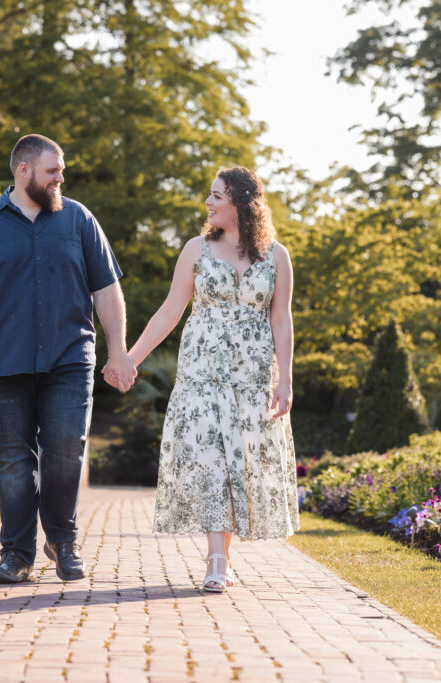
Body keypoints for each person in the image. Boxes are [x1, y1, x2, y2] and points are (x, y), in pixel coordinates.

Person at [0, 134, 137, 584]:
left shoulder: (78, 219)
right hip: (1, 361)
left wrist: (118, 349)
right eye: (53, 171)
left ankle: (63, 541)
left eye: (61, 171)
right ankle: (16, 556)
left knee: (66, 450)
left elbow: (106, 289)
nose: (60, 179)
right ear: (23, 171)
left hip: (69, 357)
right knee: (12, 460)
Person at [104, 166, 299, 592]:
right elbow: (170, 310)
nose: (208, 203)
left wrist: (285, 380)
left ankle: (222, 557)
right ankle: (216, 558)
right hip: (202, 375)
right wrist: (129, 358)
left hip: (251, 378)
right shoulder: (197, 249)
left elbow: (281, 321)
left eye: (216, 196)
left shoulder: (276, 256)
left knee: (237, 465)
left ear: (242, 204)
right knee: (211, 459)